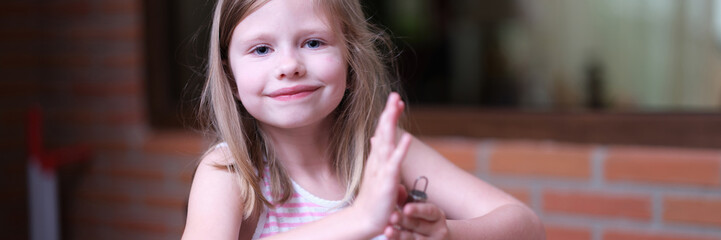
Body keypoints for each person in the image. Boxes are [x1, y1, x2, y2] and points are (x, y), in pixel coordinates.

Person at [182, 0, 545, 239]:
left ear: (350, 55)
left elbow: (526, 225)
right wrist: (359, 220)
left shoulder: (382, 154)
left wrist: (446, 234)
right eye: (261, 49)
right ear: (230, 76)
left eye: (313, 42)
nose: (289, 66)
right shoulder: (229, 172)